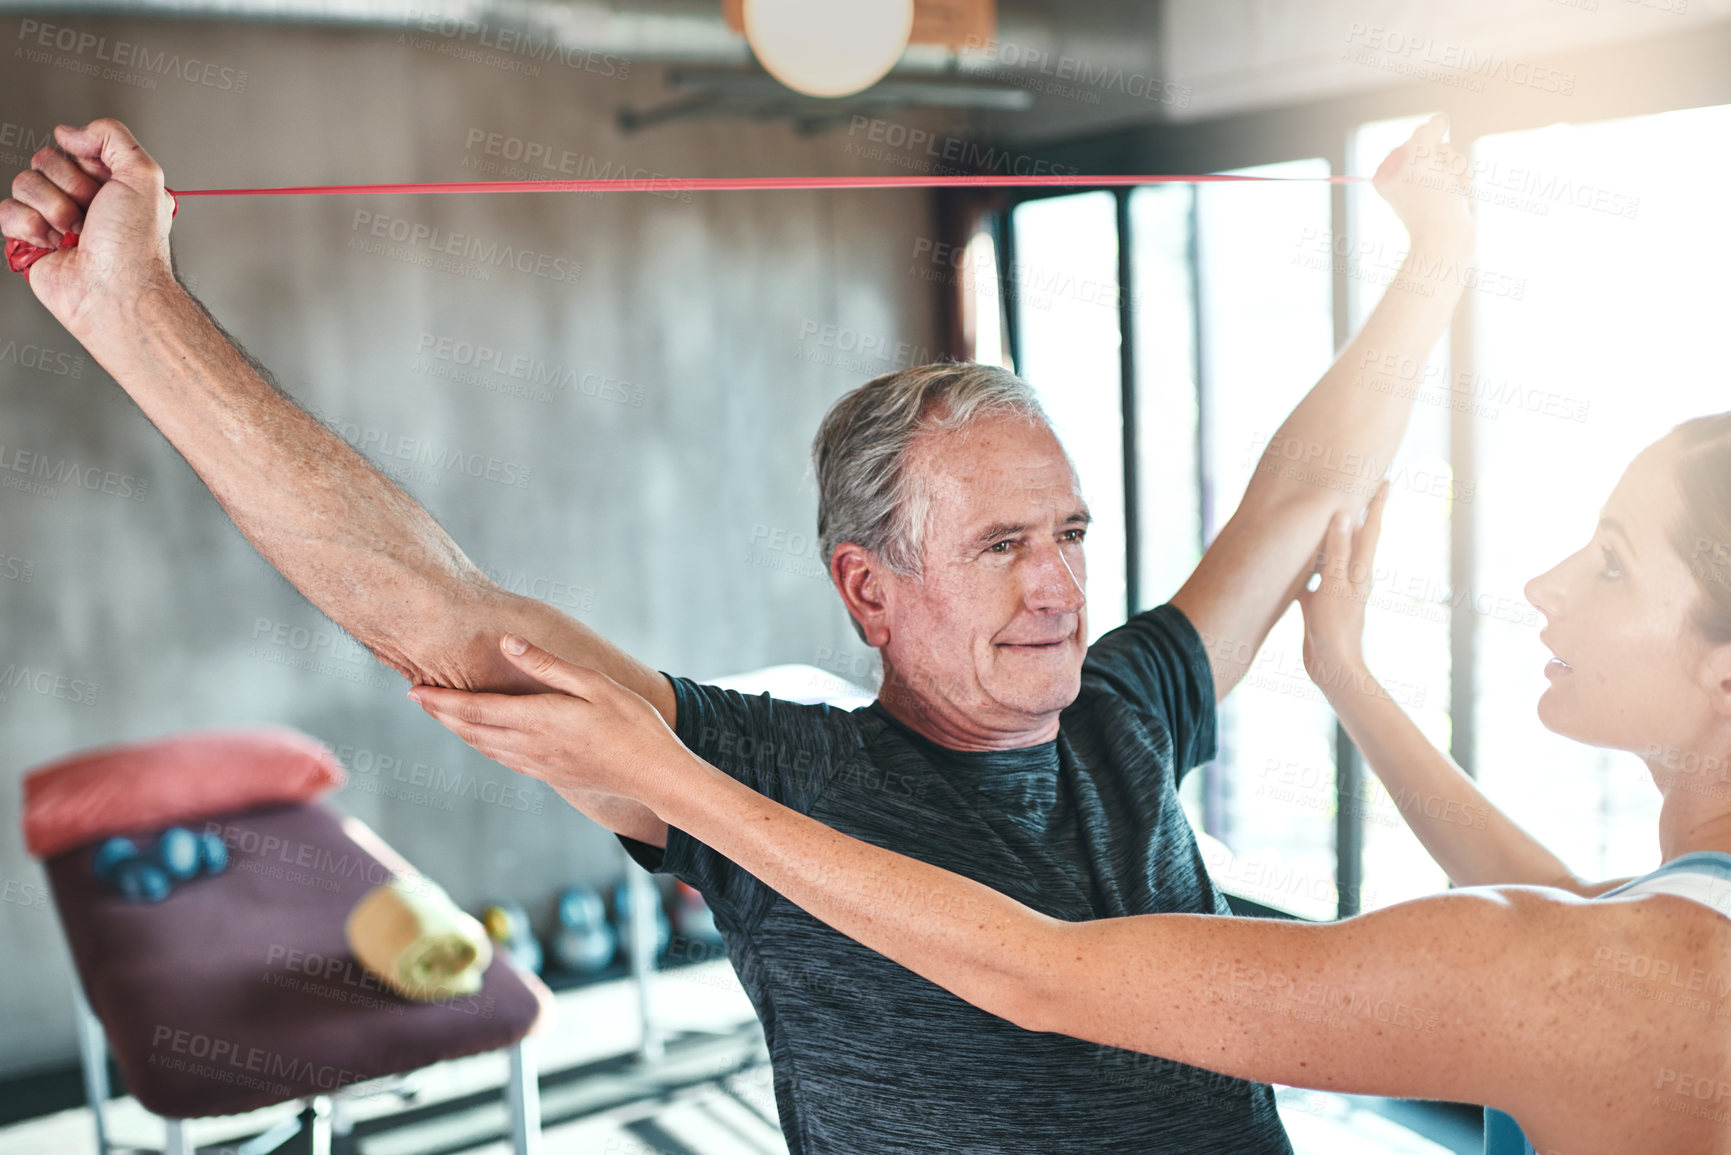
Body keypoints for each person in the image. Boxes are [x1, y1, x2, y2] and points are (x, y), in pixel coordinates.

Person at [3, 115, 1475, 1153]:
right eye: (1003, 546)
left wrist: (1432, 263)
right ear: (868, 593)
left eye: (1073, 534)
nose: (1060, 589)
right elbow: (439, 613)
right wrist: (132, 310)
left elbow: (1304, 494)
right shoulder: (773, 775)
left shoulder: (1129, 702)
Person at [411, 414, 1731, 1155]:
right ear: (870, 590)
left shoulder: (1588, 973)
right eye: (1002, 546)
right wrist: (1350, 677)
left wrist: (676, 786)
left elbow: (1038, 973)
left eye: (1613, 564)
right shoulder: (1660, 934)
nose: (1549, 582)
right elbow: (1576, 909)